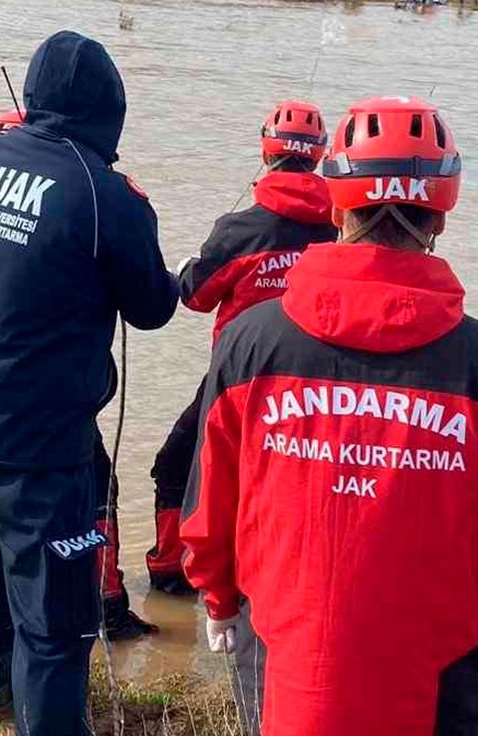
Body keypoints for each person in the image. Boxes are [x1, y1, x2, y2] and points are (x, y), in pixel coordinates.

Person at [182, 96, 478, 736]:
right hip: (439, 681)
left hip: (281, 662)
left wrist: (218, 598)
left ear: (337, 204)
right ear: (442, 216)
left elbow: (208, 502)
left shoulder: (251, 344)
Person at [0, 31, 180, 734]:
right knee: (56, 619)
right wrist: (139, 217)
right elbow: (154, 308)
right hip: (33, 441)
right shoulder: (106, 195)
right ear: (110, 112)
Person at [144, 101, 338, 596]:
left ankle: (173, 575)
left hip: (238, 380)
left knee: (174, 466)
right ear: (318, 157)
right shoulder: (342, 226)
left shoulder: (239, 230)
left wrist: (192, 264)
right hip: (322, 383)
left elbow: (194, 295)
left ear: (265, 151)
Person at [0, 108, 160, 643]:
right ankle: (97, 610)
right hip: (47, 412)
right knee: (92, 496)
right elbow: (151, 306)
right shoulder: (93, 193)